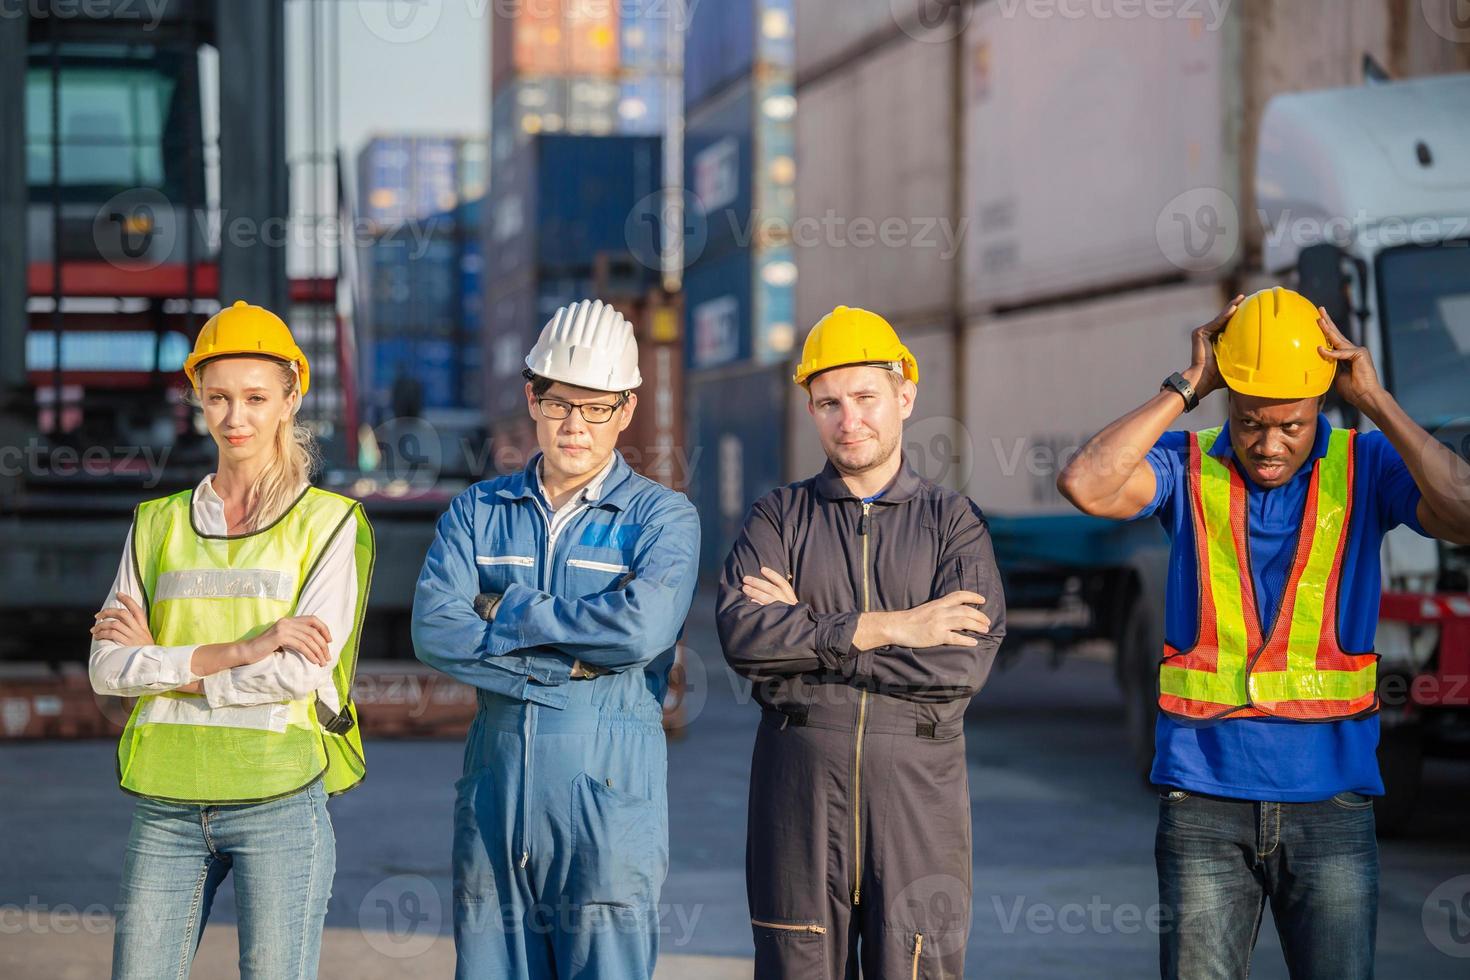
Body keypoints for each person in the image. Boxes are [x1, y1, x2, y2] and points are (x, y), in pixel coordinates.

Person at [1057, 287, 1470, 979]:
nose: (1269, 443)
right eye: (1251, 422)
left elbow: (1463, 514)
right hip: (1204, 806)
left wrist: (1377, 402)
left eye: (1292, 425)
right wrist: (1189, 383)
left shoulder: (1366, 466)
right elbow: (1086, 484)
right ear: (1228, 400)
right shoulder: (1186, 464)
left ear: (1321, 406)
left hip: (1333, 805)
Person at [716, 305, 1006, 979]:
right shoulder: (778, 517)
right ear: (810, 410)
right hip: (799, 799)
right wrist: (897, 625)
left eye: (866, 398)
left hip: (917, 799)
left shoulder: (952, 523)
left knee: (915, 967)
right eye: (828, 404)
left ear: (906, 395)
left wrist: (806, 637)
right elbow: (745, 638)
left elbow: (959, 665)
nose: (849, 421)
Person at [413, 299, 700, 979]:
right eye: (559, 402)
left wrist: (509, 608)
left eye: (597, 406)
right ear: (531, 399)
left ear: (626, 410)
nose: (576, 424)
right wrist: (556, 671)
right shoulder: (480, 510)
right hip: (495, 794)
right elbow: (434, 628)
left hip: (608, 800)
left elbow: (640, 630)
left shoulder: (662, 519)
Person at [90, 300, 374, 979]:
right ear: (197, 397)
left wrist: (165, 667)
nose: (235, 418)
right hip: (166, 798)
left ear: (290, 398)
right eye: (218, 398)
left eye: (255, 398)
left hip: (278, 795)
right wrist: (243, 650)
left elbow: (298, 675)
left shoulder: (328, 525)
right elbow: (107, 668)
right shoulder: (158, 523)